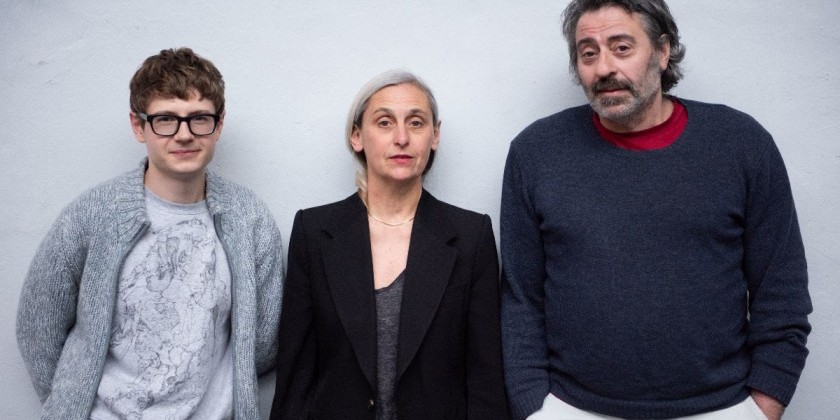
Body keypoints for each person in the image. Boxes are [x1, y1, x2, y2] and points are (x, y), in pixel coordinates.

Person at [500, 1, 812, 419]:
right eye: (588, 53)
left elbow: (781, 290)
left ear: (663, 51)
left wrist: (763, 407)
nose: (603, 68)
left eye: (622, 48)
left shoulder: (741, 145)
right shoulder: (536, 153)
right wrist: (533, 408)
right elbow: (520, 298)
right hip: (572, 407)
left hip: (721, 407)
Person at [16, 48, 284, 420]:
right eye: (166, 119)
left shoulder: (249, 217)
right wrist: (70, 404)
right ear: (138, 125)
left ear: (219, 124)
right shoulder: (93, 213)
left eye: (199, 118)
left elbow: (263, 342)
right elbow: (38, 328)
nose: (184, 135)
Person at [270, 70, 510, 420]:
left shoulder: (471, 237)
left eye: (416, 123)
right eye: (384, 122)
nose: (402, 138)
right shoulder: (315, 233)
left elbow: (485, 379)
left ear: (435, 135)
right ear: (356, 136)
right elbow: (296, 376)